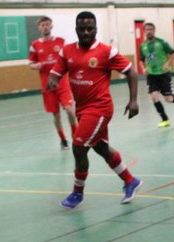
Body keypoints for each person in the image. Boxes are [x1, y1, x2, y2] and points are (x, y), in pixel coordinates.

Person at [48, 11, 142, 208]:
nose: (86, 32)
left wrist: (133, 100)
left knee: (78, 146)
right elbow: (56, 71)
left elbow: (131, 72)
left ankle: (77, 192)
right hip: (82, 109)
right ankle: (130, 181)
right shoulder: (66, 52)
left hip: (100, 108)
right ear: (76, 30)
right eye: (82, 29)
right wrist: (53, 79)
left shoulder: (106, 51)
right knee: (101, 148)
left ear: (96, 29)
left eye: (90, 28)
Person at [29, 16, 77, 150]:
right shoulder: (35, 45)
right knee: (55, 114)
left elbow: (69, 58)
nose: (45, 27)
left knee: (69, 110)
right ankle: (63, 139)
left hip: (62, 82)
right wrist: (37, 65)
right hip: (47, 85)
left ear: (51, 26)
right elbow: (30, 65)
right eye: (42, 25)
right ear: (39, 28)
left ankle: (76, 135)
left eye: (47, 24)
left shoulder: (61, 42)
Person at [138, 22, 174, 127]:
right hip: (151, 75)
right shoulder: (142, 46)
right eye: (147, 29)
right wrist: (144, 68)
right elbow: (141, 60)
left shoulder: (162, 42)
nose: (149, 31)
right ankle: (165, 120)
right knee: (154, 96)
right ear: (144, 31)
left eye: (151, 29)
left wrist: (167, 64)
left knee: (168, 99)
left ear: (154, 30)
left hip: (163, 74)